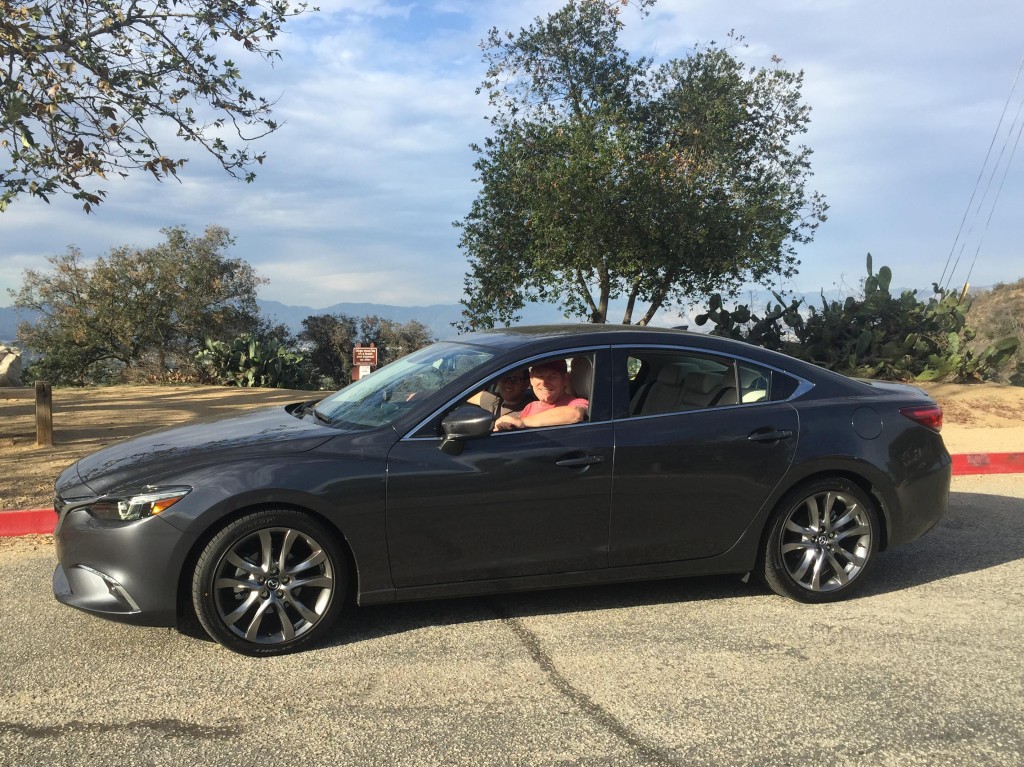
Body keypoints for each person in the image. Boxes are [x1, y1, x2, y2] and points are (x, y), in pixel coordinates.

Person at [493, 359, 588, 430]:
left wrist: (522, 422)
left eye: (552, 377)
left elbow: (575, 414)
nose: (544, 383)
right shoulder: (530, 407)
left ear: (565, 379)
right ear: (531, 379)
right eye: (539, 376)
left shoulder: (577, 403)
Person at [469, 368, 536, 417]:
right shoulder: (494, 401)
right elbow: (466, 395)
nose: (508, 383)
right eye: (504, 378)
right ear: (498, 382)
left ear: (526, 383)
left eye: (514, 380)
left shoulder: (534, 410)